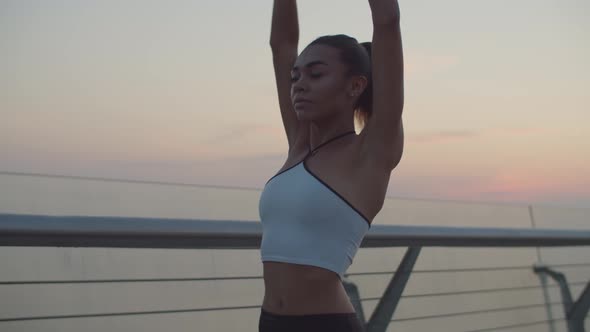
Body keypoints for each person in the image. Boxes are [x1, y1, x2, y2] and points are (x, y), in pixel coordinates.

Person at [258, 0, 404, 331]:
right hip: (269, 322)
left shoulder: (372, 152)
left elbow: (387, 22)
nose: (299, 84)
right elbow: (281, 45)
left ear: (355, 86)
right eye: (296, 76)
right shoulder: (299, 143)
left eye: (316, 74)